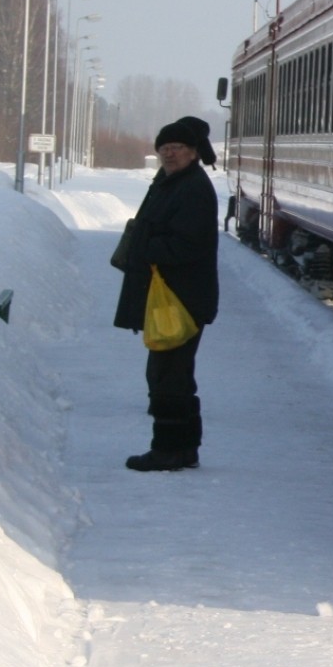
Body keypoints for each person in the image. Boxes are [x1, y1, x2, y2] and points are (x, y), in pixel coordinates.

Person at [114, 117, 221, 471]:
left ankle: (168, 449)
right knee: (172, 373)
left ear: (193, 153)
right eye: (164, 148)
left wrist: (144, 246)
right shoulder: (173, 182)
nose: (169, 154)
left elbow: (188, 245)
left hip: (181, 298)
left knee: (168, 377)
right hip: (174, 296)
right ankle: (185, 447)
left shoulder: (191, 189)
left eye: (177, 148)